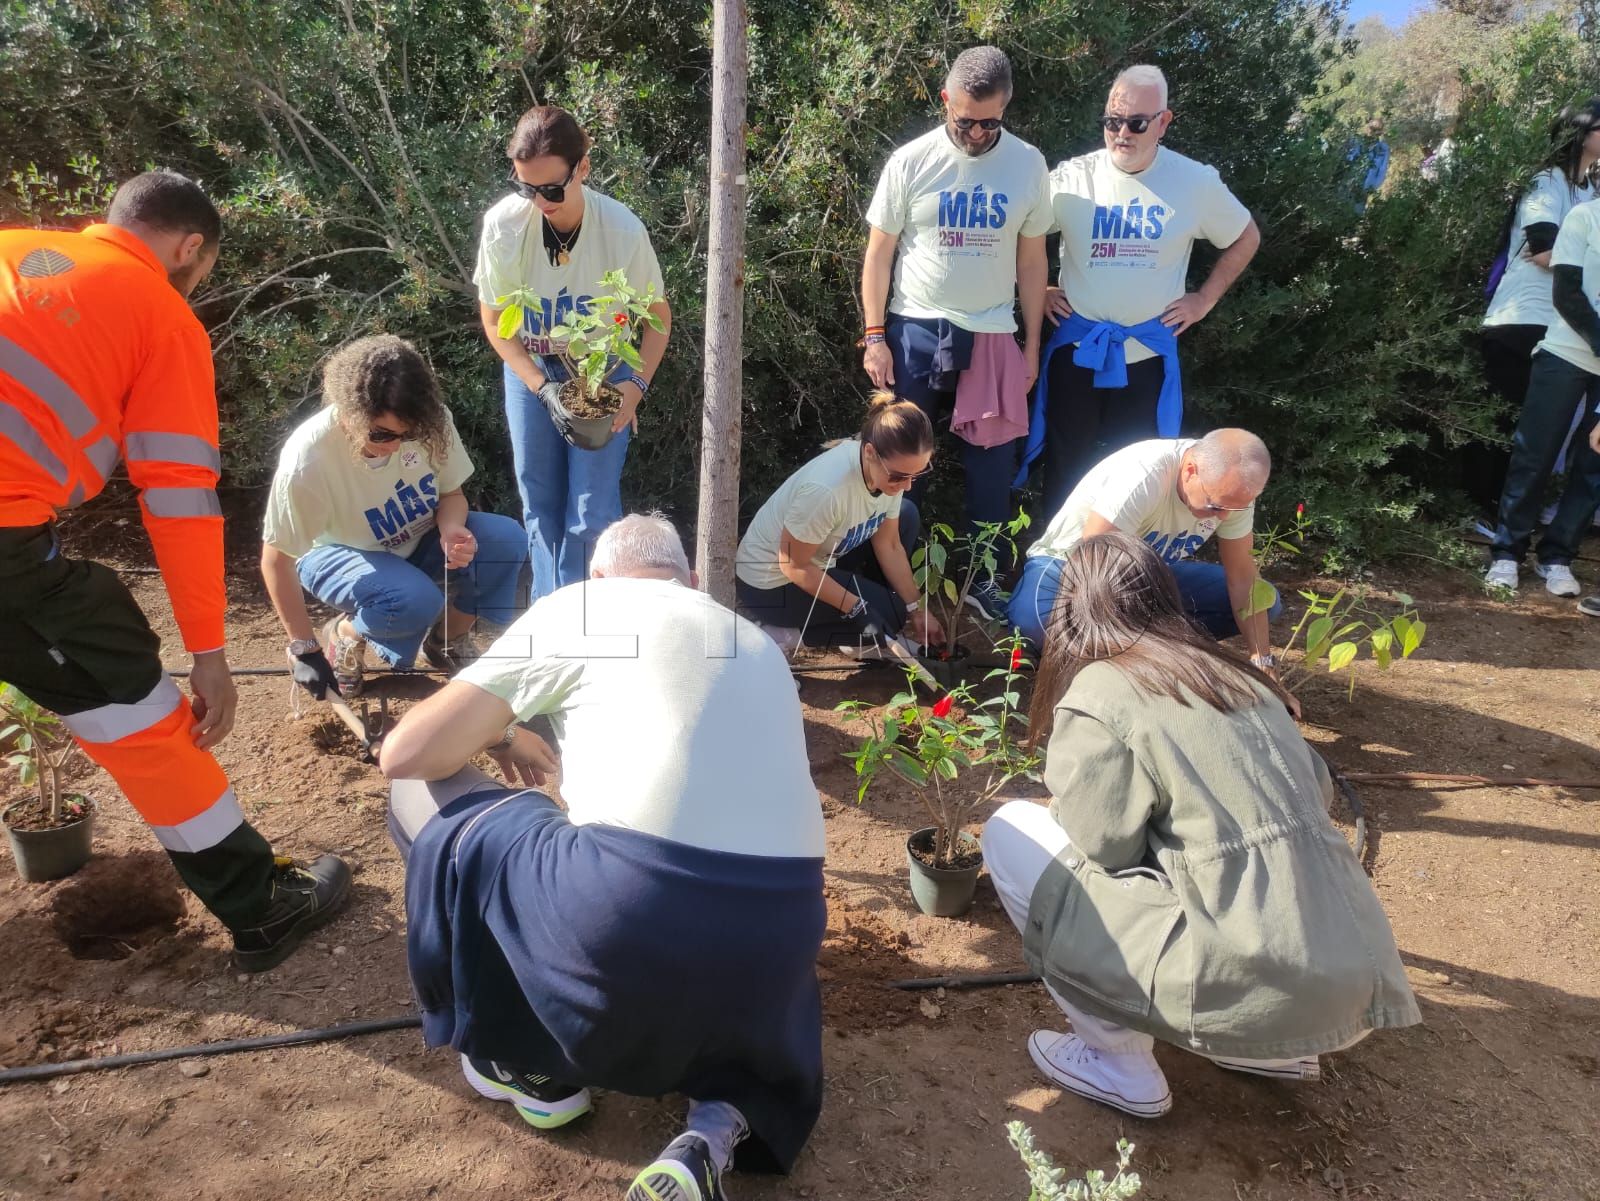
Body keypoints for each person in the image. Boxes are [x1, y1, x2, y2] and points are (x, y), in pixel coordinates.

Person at [379, 514, 826, 1201]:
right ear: (692, 581)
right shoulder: (755, 641)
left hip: (632, 910)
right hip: (785, 932)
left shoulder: (584, 608)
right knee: (727, 929)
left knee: (425, 794)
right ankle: (714, 1130)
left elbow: (406, 751)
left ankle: (524, 1060)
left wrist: (502, 732)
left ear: (596, 576)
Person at [0, 171, 348, 971]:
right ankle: (258, 905)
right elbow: (181, 497)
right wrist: (209, 653)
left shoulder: (15, 249)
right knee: (131, 700)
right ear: (190, 247)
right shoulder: (160, 313)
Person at [983, 532, 1419, 1119]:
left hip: (1247, 982)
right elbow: (1317, 793)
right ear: (1165, 596)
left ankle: (1118, 1062)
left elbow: (1106, 846)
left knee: (1010, 828)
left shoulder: (1102, 686)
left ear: (1073, 609)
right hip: (1350, 977)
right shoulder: (1237, 675)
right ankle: (1269, 1051)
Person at [861, 45, 1052, 619]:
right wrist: (875, 336)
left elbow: (1032, 261)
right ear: (945, 99)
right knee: (900, 464)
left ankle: (980, 581)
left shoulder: (1028, 164)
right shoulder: (911, 161)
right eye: (964, 120)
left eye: (988, 123)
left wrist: (1031, 346)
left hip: (993, 331)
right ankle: (893, 582)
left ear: (1006, 106)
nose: (974, 134)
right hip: (915, 328)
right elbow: (878, 255)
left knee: (991, 471)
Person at [1021, 64, 1261, 514]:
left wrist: (1204, 299)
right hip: (1079, 349)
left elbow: (1246, 236)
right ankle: (1058, 555)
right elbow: (1024, 234)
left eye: (1136, 123)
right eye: (1113, 121)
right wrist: (1043, 289)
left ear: (1163, 122)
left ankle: (1124, 558)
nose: (1122, 134)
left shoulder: (1195, 182)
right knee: (1066, 466)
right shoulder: (1072, 178)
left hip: (1146, 355)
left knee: (1139, 474)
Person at [475, 105, 672, 599]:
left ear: (582, 167)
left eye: (551, 189)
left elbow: (657, 318)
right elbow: (497, 323)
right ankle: (551, 618)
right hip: (533, 367)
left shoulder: (621, 229)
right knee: (539, 503)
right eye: (526, 188)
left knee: (591, 510)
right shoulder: (503, 225)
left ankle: (590, 615)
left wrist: (635, 387)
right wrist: (542, 388)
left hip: (604, 367)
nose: (539, 202)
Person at [261, 335, 528, 696]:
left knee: (505, 541)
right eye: (381, 434)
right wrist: (304, 648)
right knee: (415, 599)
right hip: (336, 553)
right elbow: (276, 560)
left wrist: (451, 528)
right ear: (349, 414)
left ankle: (447, 641)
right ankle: (345, 635)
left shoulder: (431, 422)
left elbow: (451, 494)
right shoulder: (308, 459)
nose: (396, 445)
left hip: (416, 538)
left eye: (409, 434)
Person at [1007, 429, 1293, 711]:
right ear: (1190, 471)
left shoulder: (1232, 490)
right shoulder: (1144, 476)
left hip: (1149, 575)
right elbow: (1094, 566)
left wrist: (1263, 663)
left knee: (1265, 602)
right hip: (1073, 566)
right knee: (1035, 620)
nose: (1225, 517)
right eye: (1215, 507)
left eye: (1236, 509)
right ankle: (1132, 653)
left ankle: (1137, 649)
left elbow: (1243, 578)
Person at [734, 392, 945, 656]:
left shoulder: (890, 470)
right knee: (891, 614)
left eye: (916, 474)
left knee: (906, 515)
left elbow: (889, 544)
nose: (907, 485)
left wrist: (917, 609)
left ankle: (867, 624)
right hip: (771, 585)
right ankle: (780, 635)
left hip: (821, 556)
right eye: (900, 477)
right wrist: (857, 609)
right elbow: (793, 565)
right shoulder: (827, 490)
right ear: (870, 452)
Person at [1473, 100, 1600, 532]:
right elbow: (1543, 249)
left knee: (1543, 431)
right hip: (1522, 316)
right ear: (1579, 132)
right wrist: (1579, 260)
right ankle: (1486, 513)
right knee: (1508, 423)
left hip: (1562, 326)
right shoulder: (1547, 181)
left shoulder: (1589, 191)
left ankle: (1519, 517)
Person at [1484, 193, 1600, 595]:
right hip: (1564, 356)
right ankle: (1506, 553)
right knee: (1534, 456)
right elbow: (1567, 293)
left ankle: (1558, 557)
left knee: (1594, 466)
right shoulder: (1585, 216)